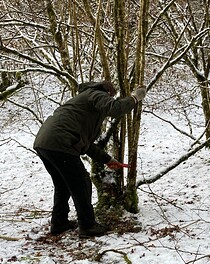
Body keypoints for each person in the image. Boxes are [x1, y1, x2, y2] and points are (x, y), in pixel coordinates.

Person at [33, 80, 146, 238]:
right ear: (106, 92)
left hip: (45, 143)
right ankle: (87, 225)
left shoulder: (84, 108)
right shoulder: (95, 94)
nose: (110, 98)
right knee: (82, 182)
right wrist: (135, 97)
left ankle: (59, 222)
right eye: (110, 96)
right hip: (60, 143)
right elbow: (116, 108)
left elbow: (85, 144)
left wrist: (107, 160)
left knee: (62, 185)